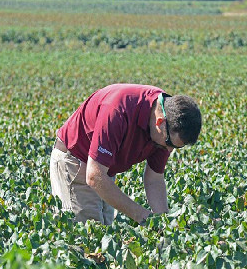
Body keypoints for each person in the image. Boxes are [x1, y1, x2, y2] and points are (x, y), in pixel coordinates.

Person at [50, 84, 201, 225]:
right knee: (84, 236)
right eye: (170, 144)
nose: (168, 151)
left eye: (176, 147)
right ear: (159, 122)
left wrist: (162, 223)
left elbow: (154, 179)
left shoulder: (166, 128)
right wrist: (142, 216)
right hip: (75, 162)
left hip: (104, 169)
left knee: (105, 232)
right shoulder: (117, 111)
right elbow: (95, 176)